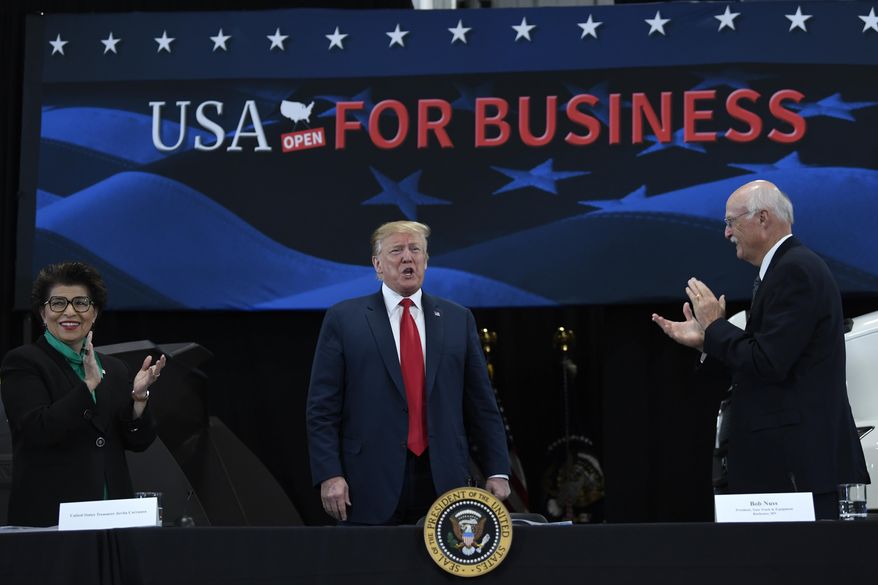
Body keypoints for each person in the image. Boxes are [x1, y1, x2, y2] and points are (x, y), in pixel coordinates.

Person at [651, 180, 869, 519]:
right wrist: (708, 339)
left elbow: (768, 362)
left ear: (763, 218)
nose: (726, 233)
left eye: (730, 222)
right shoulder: (785, 270)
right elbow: (763, 359)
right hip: (790, 472)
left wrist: (715, 328)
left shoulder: (794, 270)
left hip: (797, 473)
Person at [307, 220, 511, 525]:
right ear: (377, 265)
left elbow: (482, 403)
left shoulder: (457, 318)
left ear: (426, 261)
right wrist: (329, 473)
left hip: (443, 477)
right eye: (396, 250)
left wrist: (497, 469)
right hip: (367, 479)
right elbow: (322, 408)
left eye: (416, 249)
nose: (407, 257)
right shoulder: (344, 319)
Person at [0, 262, 166, 526]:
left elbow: (138, 443)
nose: (69, 312)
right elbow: (37, 430)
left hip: (113, 514)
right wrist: (87, 385)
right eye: (58, 303)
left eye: (81, 303)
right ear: (43, 313)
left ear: (95, 312)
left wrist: (138, 400)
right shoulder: (23, 362)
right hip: (51, 516)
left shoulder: (114, 368)